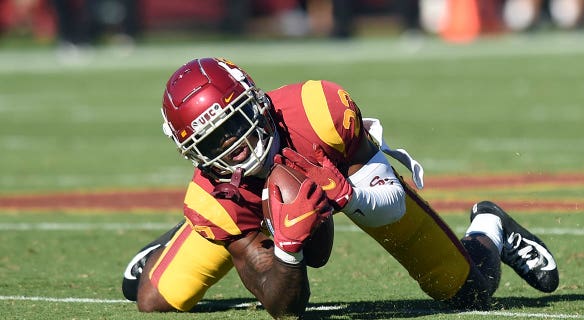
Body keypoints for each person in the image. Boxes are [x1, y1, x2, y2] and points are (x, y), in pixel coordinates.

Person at [121, 57, 559, 318]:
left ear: (253, 101)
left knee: (468, 291)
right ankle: (187, 236)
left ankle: (489, 225)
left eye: (233, 125)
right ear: (191, 153)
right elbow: (285, 309)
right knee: (154, 299)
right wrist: (288, 251)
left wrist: (345, 194)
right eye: (211, 142)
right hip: (245, 212)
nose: (232, 147)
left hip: (349, 187)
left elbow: (387, 204)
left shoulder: (317, 109)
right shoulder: (213, 193)